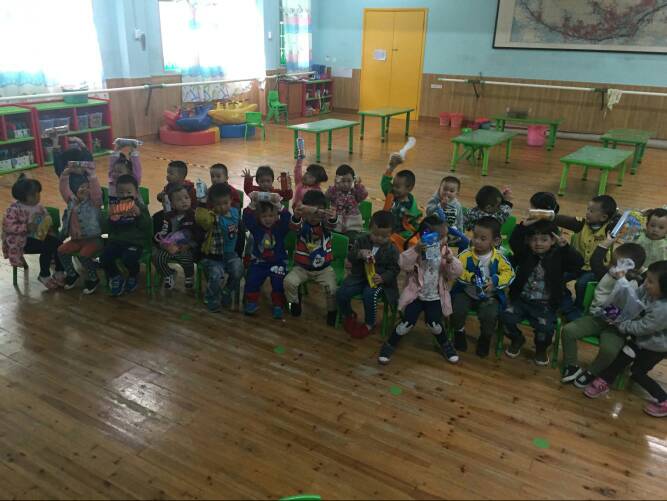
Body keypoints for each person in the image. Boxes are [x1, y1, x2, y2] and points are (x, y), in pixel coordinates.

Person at [583, 260, 667, 418]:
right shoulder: (647, 290)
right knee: (622, 357)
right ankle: (604, 380)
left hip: (655, 348)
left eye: (651, 282)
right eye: (646, 278)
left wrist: (620, 323)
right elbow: (632, 298)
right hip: (639, 339)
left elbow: (643, 327)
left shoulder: (663, 309)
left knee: (637, 373)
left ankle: (664, 400)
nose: (645, 283)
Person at [377, 215, 462, 365]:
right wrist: (416, 250)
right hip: (416, 295)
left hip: (435, 296)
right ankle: (390, 343)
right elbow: (402, 263)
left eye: (445, 236)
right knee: (406, 324)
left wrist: (450, 260)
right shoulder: (417, 250)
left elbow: (455, 273)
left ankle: (445, 344)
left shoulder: (445, 251)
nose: (444, 240)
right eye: (440, 237)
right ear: (426, 235)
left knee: (434, 324)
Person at [560, 243, 646, 388]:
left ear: (634, 270)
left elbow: (632, 306)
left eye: (619, 265)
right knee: (568, 331)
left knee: (609, 351)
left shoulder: (637, 285)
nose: (613, 268)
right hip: (597, 319)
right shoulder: (608, 274)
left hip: (616, 328)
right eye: (613, 263)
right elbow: (596, 264)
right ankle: (571, 365)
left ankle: (592, 372)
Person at [501, 220, 584, 366]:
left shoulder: (559, 255)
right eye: (534, 239)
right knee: (505, 318)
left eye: (544, 240)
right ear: (528, 241)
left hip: (545, 304)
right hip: (521, 300)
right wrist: (523, 226)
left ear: (553, 241)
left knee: (545, 330)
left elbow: (578, 263)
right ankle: (517, 339)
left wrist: (566, 248)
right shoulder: (525, 253)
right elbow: (514, 241)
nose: (538, 243)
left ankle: (541, 349)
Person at [450, 217, 516, 357]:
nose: (477, 241)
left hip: (489, 296)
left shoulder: (499, 257)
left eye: (483, 238)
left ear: (495, 241)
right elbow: (456, 270)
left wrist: (495, 281)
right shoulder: (465, 255)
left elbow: (509, 274)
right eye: (475, 236)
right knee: (457, 310)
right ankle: (459, 332)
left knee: (489, 316)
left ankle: (485, 339)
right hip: (466, 292)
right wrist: (470, 277)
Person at [551, 195, 619, 316]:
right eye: (587, 209)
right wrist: (549, 216)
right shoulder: (580, 224)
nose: (587, 213)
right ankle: (566, 302)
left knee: (581, 284)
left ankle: (579, 308)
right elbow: (563, 220)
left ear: (604, 217)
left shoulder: (609, 229)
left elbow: (619, 222)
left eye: (591, 211)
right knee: (556, 276)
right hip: (576, 265)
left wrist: (617, 215)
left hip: (595, 269)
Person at [337, 210, 400, 339]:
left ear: (391, 234)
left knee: (369, 295)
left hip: (377, 281)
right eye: (375, 234)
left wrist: (383, 278)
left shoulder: (392, 249)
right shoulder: (361, 240)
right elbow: (351, 256)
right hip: (359, 276)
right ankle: (348, 314)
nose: (379, 238)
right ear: (370, 228)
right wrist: (359, 254)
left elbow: (394, 269)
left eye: (384, 236)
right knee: (342, 292)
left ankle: (369, 323)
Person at [284, 190, 339, 326]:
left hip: (323, 268)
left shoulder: (325, 226)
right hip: (302, 268)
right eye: (310, 212)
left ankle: (332, 311)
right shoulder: (302, 225)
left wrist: (332, 217)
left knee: (332, 288)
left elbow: (332, 224)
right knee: (289, 282)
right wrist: (297, 216)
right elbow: (293, 226)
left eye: (318, 212)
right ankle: (295, 303)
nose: (314, 217)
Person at [2, 175, 64, 289]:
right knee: (48, 247)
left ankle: (59, 271)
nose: (38, 196)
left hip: (38, 237)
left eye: (38, 193)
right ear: (23, 196)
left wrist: (49, 228)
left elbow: (46, 217)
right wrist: (26, 227)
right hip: (21, 242)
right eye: (34, 194)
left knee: (59, 244)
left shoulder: (38, 207)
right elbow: (8, 227)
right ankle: (44, 275)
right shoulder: (14, 209)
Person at [101, 175, 152, 296]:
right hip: (117, 241)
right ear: (116, 193)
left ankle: (133, 275)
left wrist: (139, 215)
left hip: (135, 242)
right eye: (121, 192)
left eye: (129, 192)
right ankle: (115, 276)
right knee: (104, 257)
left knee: (129, 258)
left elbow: (147, 226)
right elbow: (107, 230)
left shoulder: (141, 207)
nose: (125, 195)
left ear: (136, 193)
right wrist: (110, 219)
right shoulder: (115, 207)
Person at [243, 191, 291, 319]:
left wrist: (279, 206)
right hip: (259, 262)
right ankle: (251, 301)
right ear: (258, 217)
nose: (268, 219)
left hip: (277, 261)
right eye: (264, 216)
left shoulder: (280, 227)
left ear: (276, 215)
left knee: (278, 283)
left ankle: (278, 304)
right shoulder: (256, 227)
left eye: (271, 215)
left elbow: (288, 219)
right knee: (252, 280)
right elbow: (246, 218)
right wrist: (252, 204)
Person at [196, 183, 243, 313]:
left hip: (230, 254)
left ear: (231, 200)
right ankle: (210, 298)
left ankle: (226, 291)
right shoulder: (211, 217)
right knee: (217, 275)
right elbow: (201, 218)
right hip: (213, 256)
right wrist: (202, 202)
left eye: (225, 203)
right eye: (218, 204)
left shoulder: (235, 212)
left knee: (238, 270)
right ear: (212, 204)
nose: (222, 207)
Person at [57, 162, 104, 294]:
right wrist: (66, 173)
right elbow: (64, 189)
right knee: (61, 251)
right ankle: (72, 274)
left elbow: (96, 191)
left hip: (93, 240)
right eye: (81, 187)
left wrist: (91, 175)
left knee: (84, 255)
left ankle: (93, 278)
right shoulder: (71, 201)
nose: (84, 189)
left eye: (87, 187)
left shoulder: (94, 202)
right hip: (76, 240)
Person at [152, 183, 202, 290]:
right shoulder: (168, 217)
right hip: (170, 248)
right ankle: (169, 273)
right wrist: (164, 244)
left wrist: (189, 245)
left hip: (185, 248)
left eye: (186, 198)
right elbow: (163, 233)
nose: (184, 201)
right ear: (172, 204)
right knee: (158, 258)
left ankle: (189, 276)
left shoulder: (194, 216)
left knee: (187, 260)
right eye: (179, 200)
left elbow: (198, 236)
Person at [381, 153, 422, 250]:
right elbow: (384, 183)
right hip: (386, 228)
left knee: (411, 241)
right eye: (393, 185)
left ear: (409, 188)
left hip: (402, 233)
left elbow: (415, 223)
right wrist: (391, 167)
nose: (394, 188)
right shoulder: (391, 194)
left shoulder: (411, 205)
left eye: (397, 187)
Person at [325, 164, 368, 238]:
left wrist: (358, 184)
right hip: (336, 224)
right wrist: (335, 186)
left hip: (353, 225)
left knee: (352, 238)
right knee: (331, 236)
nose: (346, 184)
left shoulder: (355, 190)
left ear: (353, 180)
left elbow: (364, 195)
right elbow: (327, 196)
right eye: (342, 181)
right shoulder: (334, 190)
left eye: (349, 181)